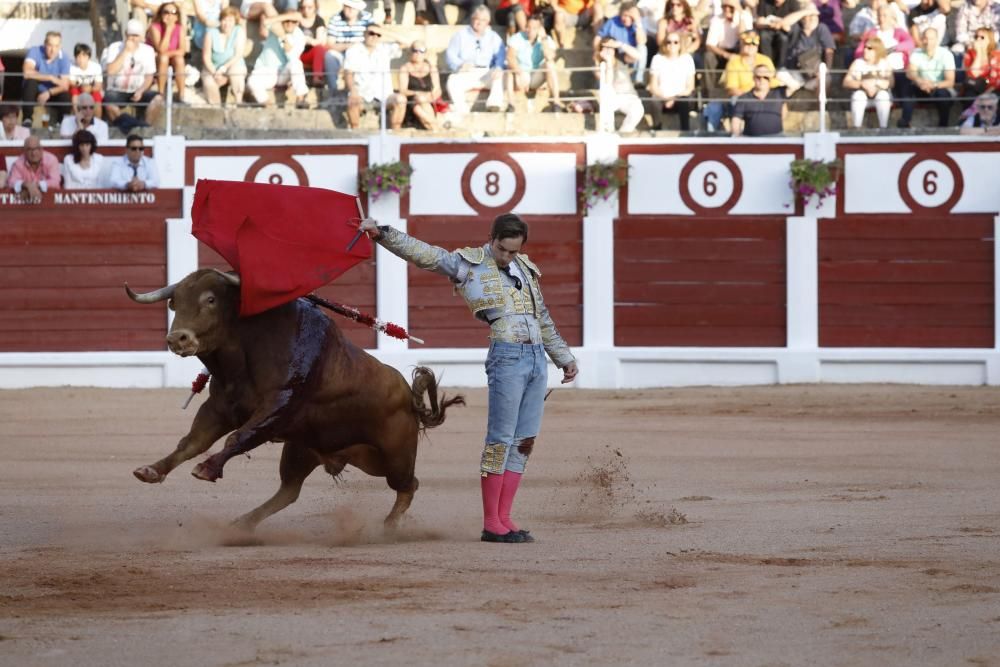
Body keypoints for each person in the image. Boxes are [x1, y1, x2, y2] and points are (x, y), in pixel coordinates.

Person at [357, 213, 578, 544]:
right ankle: (492, 522)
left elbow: (541, 317)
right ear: (492, 240)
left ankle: (505, 518)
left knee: (524, 440)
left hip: (536, 361)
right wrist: (382, 234)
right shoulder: (468, 264)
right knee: (500, 437)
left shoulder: (526, 269)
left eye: (514, 252)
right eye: (503, 249)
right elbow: (425, 254)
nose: (507, 257)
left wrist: (564, 358)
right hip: (507, 356)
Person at [102, 19, 164, 131]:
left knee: (158, 99)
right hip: (117, 90)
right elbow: (110, 71)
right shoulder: (115, 47)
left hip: (138, 89)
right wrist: (125, 52)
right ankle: (133, 125)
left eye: (135, 35)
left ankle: (145, 128)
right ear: (125, 35)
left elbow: (149, 76)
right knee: (108, 103)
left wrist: (141, 90)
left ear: (141, 37)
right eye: (130, 35)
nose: (132, 38)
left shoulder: (148, 51)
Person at [445, 6, 508, 114]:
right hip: (468, 71)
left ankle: (494, 104)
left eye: (483, 20)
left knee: (500, 74)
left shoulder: (494, 36)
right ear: (472, 19)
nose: (479, 22)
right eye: (477, 19)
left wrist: (498, 67)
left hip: (487, 72)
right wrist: (460, 65)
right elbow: (450, 55)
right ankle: (462, 109)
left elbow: (501, 55)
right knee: (452, 81)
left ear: (488, 22)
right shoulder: (460, 35)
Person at [343, 24, 406, 128]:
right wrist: (353, 90)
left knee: (401, 100)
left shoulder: (385, 48)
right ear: (364, 34)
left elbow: (406, 42)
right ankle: (355, 134)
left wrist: (385, 33)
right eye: (371, 33)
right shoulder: (354, 50)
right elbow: (348, 73)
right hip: (362, 94)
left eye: (378, 35)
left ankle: (395, 134)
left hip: (384, 95)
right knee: (352, 100)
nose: (374, 37)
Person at [248, 13, 311, 108]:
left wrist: (284, 39)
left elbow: (293, 57)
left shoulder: (299, 36)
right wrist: (287, 16)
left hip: (283, 73)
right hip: (266, 70)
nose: (289, 23)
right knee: (252, 81)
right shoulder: (276, 28)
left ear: (297, 23)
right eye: (287, 21)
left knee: (296, 63)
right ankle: (268, 106)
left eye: (293, 21)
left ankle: (300, 98)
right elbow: (266, 22)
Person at [506, 13, 563, 111]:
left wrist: (544, 39)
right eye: (528, 27)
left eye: (534, 28)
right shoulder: (517, 38)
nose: (530, 30)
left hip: (536, 76)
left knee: (550, 64)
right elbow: (510, 58)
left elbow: (549, 57)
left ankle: (556, 102)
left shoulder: (546, 39)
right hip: (521, 75)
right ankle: (511, 104)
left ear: (540, 29)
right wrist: (519, 72)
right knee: (509, 70)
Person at [776, 4, 835, 95]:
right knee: (779, 74)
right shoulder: (796, 27)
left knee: (826, 79)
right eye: (809, 16)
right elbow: (783, 24)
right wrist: (806, 12)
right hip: (794, 72)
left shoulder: (821, 28)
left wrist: (826, 70)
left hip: (814, 74)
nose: (813, 18)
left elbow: (829, 50)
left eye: (814, 15)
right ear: (802, 17)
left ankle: (818, 107)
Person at [902, 26, 955, 127]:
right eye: (925, 38)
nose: (928, 41)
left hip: (939, 88)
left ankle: (943, 126)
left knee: (942, 94)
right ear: (922, 39)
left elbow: (950, 81)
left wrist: (933, 85)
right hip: (921, 87)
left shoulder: (946, 54)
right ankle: (905, 122)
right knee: (907, 87)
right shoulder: (916, 53)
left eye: (931, 38)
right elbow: (911, 72)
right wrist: (919, 81)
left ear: (937, 40)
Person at [21, 31, 73, 127]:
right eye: (50, 45)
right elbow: (27, 73)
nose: (53, 50)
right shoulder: (35, 51)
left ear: (60, 46)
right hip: (34, 92)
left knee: (65, 95)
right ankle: (27, 119)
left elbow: (65, 85)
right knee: (30, 82)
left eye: (56, 46)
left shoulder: (64, 57)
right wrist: (50, 77)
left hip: (52, 93)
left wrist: (49, 92)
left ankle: (61, 124)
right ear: (45, 44)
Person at [647, 30, 696, 129]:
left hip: (681, 97)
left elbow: (690, 87)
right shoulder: (657, 59)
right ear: (664, 44)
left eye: (675, 42)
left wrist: (673, 99)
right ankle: (657, 128)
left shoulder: (687, 59)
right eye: (668, 42)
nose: (672, 44)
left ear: (680, 44)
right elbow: (653, 86)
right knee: (654, 101)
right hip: (662, 97)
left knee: (684, 101)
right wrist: (665, 98)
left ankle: (685, 131)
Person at [324, 0, 374, 96]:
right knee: (329, 56)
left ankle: (362, 94)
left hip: (361, 54)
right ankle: (333, 92)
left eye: (353, 6)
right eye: (348, 6)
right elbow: (330, 44)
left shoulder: (367, 17)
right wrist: (350, 46)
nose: (350, 9)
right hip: (341, 53)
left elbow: (374, 37)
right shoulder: (335, 18)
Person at [201, 6, 248, 106]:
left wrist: (224, 68)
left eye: (230, 20)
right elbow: (206, 56)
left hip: (232, 64)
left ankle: (238, 103)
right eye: (224, 20)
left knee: (236, 72)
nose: (227, 23)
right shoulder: (211, 33)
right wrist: (215, 72)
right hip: (213, 67)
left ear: (235, 21)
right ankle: (216, 108)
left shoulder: (239, 31)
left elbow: (238, 54)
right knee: (208, 82)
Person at [596, 36, 645, 132]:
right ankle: (608, 131)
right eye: (605, 47)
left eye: (611, 47)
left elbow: (639, 56)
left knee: (638, 110)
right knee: (606, 94)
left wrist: (621, 44)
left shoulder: (622, 59)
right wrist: (608, 61)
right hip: (612, 98)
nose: (608, 50)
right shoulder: (600, 65)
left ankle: (622, 135)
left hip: (629, 96)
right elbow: (607, 83)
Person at [843, 35, 893, 127]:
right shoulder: (857, 63)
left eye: (869, 48)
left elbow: (891, 82)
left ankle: (884, 128)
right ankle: (856, 128)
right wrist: (861, 84)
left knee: (883, 96)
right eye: (865, 47)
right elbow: (846, 82)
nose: (865, 50)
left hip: (879, 93)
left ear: (877, 50)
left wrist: (877, 84)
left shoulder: (884, 63)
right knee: (858, 97)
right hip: (862, 94)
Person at [594, 1, 648, 84]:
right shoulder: (612, 22)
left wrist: (637, 21)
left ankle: (637, 80)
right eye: (624, 15)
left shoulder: (636, 24)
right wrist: (597, 52)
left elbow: (642, 42)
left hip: (629, 55)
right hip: (613, 54)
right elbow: (598, 37)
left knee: (643, 49)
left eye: (629, 16)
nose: (626, 18)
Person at [395, 40, 443, 130]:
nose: (418, 53)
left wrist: (430, 97)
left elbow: (437, 89)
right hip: (412, 100)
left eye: (421, 51)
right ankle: (437, 128)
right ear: (410, 52)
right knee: (419, 101)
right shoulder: (405, 68)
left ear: (425, 53)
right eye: (415, 50)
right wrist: (418, 93)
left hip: (427, 102)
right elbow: (402, 90)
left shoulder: (431, 68)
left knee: (419, 108)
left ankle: (434, 127)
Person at [147, 2, 189, 102]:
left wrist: (167, 53)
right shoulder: (154, 27)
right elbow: (160, 49)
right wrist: (169, 30)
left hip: (170, 56)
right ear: (161, 14)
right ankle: (160, 93)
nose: (169, 15)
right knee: (163, 58)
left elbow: (182, 50)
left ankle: (181, 94)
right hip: (156, 58)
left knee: (179, 60)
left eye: (173, 12)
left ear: (177, 16)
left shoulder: (180, 28)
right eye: (166, 12)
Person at [731, 63, 787, 136]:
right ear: (753, 78)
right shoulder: (744, 97)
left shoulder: (779, 93)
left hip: (776, 139)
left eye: (765, 77)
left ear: (770, 78)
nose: (762, 80)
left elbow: (795, 85)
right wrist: (737, 140)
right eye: (758, 77)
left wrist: (776, 75)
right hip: (752, 140)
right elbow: (736, 120)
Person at [7, 136, 61, 203]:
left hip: (51, 201)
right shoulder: (18, 163)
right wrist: (26, 185)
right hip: (25, 206)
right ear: (24, 151)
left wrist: (35, 186)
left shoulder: (51, 159)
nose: (33, 153)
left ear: (41, 149)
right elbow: (11, 182)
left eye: (37, 149)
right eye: (30, 149)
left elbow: (55, 182)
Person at [297, 0, 328, 87]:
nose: (306, 10)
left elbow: (320, 41)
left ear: (315, 7)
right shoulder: (296, 19)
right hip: (297, 53)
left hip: (310, 54)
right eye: (303, 7)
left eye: (309, 7)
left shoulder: (319, 20)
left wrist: (308, 40)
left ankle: (317, 77)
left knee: (319, 49)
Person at [961, 27, 1000, 97]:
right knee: (970, 93)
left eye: (982, 37)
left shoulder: (997, 55)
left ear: (989, 40)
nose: (978, 39)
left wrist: (986, 94)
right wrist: (979, 53)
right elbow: (972, 75)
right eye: (976, 37)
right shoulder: (970, 54)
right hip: (975, 87)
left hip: (993, 88)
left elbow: (997, 79)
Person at [68, 43, 104, 118]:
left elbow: (98, 85)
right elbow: (72, 82)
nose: (81, 59)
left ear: (88, 57)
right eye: (78, 56)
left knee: (97, 98)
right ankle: (77, 116)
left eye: (84, 56)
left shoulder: (96, 67)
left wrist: (90, 88)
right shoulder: (71, 67)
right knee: (74, 93)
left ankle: (98, 121)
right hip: (78, 88)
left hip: (92, 89)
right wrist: (81, 86)